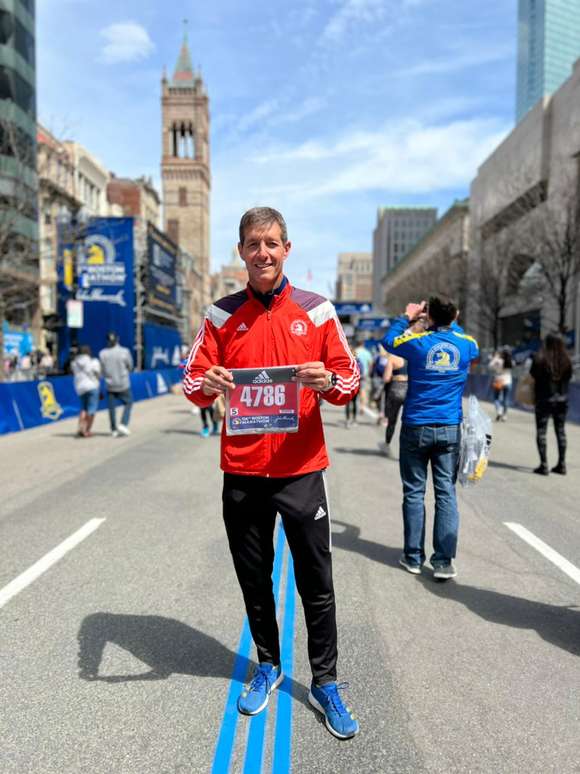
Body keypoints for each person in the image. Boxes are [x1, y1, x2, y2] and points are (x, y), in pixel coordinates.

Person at [183, 207, 360, 739]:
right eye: (253, 243)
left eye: (272, 243)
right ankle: (268, 664)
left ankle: (325, 682)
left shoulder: (318, 310)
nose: (263, 252)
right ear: (241, 251)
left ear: (287, 249)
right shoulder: (219, 315)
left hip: (301, 471)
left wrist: (326, 379)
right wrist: (209, 384)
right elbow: (192, 381)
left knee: (316, 582)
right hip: (241, 472)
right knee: (254, 580)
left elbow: (350, 381)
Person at [383, 296, 479, 580]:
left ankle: (413, 557)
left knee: (414, 492)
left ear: (430, 316)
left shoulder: (418, 342)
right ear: (456, 315)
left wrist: (408, 317)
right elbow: (461, 336)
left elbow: (390, 341)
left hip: (416, 425)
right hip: (449, 426)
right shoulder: (467, 343)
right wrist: (449, 320)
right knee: (446, 494)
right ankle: (443, 562)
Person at [530, 333, 572, 475]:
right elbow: (568, 377)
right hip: (562, 400)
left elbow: (532, 375)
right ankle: (562, 464)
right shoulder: (567, 360)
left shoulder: (540, 359)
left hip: (544, 399)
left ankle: (544, 464)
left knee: (541, 431)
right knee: (560, 432)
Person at [99, 332, 133, 438]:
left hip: (110, 384)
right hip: (123, 383)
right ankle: (123, 423)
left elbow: (102, 370)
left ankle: (113, 429)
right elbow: (130, 366)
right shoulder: (125, 352)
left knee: (111, 408)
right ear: (118, 339)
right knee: (128, 403)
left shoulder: (102, 353)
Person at [379, 352, 408, 455]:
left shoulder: (393, 358)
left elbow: (386, 378)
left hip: (396, 389)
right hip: (409, 390)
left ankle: (387, 443)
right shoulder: (411, 355)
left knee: (392, 421)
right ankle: (406, 448)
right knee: (407, 421)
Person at [72, 345, 101, 438]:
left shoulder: (74, 363)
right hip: (92, 386)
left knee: (83, 409)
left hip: (80, 387)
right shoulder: (93, 361)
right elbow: (97, 373)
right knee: (91, 410)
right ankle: (87, 430)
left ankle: (80, 428)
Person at [489, 348, 513, 421]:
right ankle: (505, 415)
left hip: (499, 380)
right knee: (506, 399)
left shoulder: (498, 361)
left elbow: (490, 366)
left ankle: (499, 411)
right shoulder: (510, 361)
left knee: (496, 398)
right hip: (508, 381)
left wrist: (495, 357)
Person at [344, 345, 361, 427]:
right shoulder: (357, 361)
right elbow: (362, 372)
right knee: (354, 402)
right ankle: (353, 420)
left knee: (348, 403)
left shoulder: (346, 360)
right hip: (355, 383)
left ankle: (348, 420)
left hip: (348, 383)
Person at [355, 343, 373, 408]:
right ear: (363, 344)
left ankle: (352, 404)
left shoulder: (355, 351)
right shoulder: (367, 352)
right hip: (364, 374)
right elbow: (370, 364)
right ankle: (362, 406)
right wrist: (369, 372)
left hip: (355, 374)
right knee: (363, 390)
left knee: (354, 389)